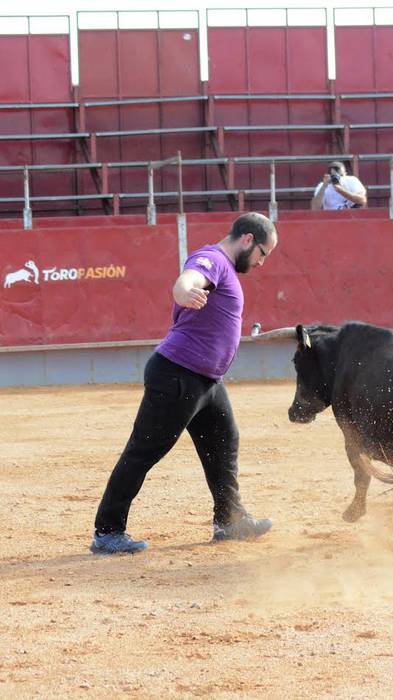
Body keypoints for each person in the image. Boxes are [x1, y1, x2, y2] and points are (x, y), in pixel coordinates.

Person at [90, 212, 278, 554]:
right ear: (248, 239)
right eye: (263, 253)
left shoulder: (225, 268)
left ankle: (230, 520)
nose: (262, 262)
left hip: (206, 381)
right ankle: (107, 531)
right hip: (178, 374)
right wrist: (185, 292)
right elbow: (186, 279)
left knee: (224, 442)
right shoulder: (214, 259)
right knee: (144, 450)